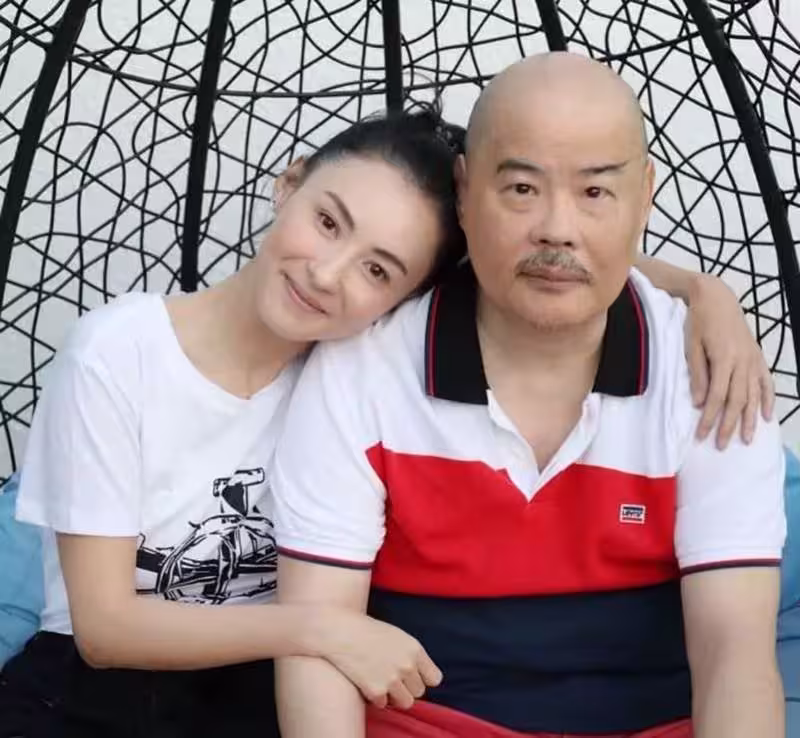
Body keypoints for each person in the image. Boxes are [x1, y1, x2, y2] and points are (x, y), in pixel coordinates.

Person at [0, 105, 772, 737]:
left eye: (378, 269)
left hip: (253, 693)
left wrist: (706, 294)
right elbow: (104, 629)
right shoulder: (120, 350)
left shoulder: (349, 359)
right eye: (327, 222)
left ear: (407, 295)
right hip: (95, 688)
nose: (326, 274)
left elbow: (545, 263)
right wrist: (321, 629)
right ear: (289, 184)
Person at [272, 54, 786, 738]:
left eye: (595, 192)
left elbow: (734, 655)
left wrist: (703, 290)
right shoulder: (362, 369)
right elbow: (319, 646)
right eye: (521, 188)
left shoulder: (711, 373)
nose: (557, 227)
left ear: (644, 196)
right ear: (463, 191)